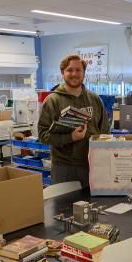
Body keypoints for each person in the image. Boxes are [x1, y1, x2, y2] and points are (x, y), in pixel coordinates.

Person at [38, 54, 109, 188]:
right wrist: (71, 137)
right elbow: (43, 136)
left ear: (84, 73)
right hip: (64, 167)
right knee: (62, 207)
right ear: (62, 73)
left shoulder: (95, 100)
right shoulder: (52, 101)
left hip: (92, 165)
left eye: (78, 70)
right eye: (70, 70)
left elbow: (105, 131)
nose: (74, 74)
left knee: (93, 206)